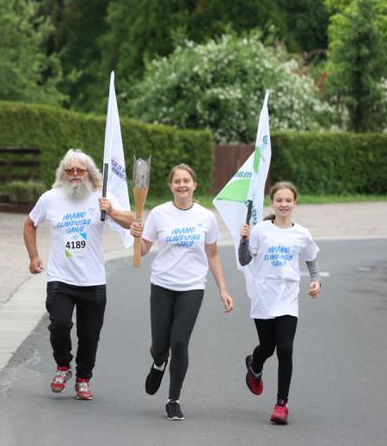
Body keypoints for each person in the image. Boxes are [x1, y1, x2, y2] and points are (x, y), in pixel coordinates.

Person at [23, 149, 134, 401]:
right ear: (62, 173)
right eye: (69, 170)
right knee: (59, 325)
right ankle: (63, 366)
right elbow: (30, 223)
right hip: (60, 279)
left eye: (79, 170)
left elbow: (133, 222)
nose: (74, 175)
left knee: (89, 335)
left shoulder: (101, 197)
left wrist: (113, 212)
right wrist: (33, 256)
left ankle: (83, 378)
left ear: (89, 173)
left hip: (93, 281)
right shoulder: (50, 198)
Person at [129, 163, 234, 420]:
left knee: (179, 341)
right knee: (159, 345)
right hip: (162, 285)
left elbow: (213, 253)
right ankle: (158, 362)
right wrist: (135, 237)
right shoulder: (158, 214)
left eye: (186, 180)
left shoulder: (205, 216)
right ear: (171, 186)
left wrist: (223, 288)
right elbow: (143, 250)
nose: (182, 185)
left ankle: (173, 399)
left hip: (192, 287)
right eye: (177, 181)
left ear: (194, 184)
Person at [238, 181, 320, 425]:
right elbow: (244, 260)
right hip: (263, 297)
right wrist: (244, 239)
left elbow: (311, 260)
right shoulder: (261, 230)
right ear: (272, 202)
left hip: (288, 299)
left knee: (285, 348)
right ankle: (254, 364)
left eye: (288, 200)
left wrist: (316, 281)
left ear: (295, 203)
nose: (284, 204)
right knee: (267, 347)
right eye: (279, 200)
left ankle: (281, 404)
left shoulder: (302, 233)